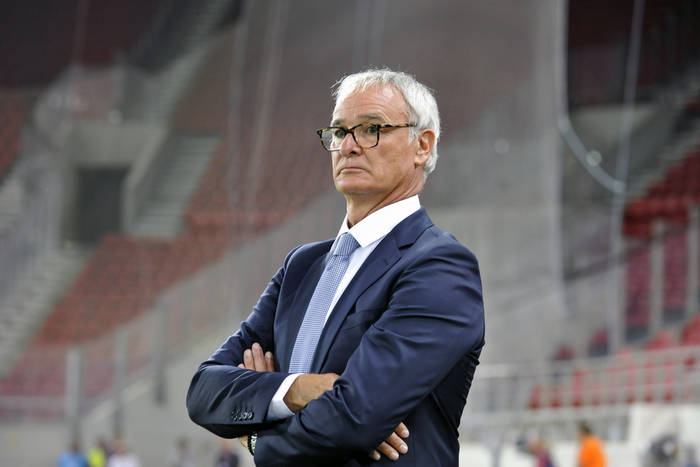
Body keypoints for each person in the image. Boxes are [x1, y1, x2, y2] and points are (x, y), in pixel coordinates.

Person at [186, 68, 486, 466]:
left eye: (372, 129)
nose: (348, 146)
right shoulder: (301, 266)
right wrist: (295, 390)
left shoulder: (440, 266)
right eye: (340, 131)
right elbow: (202, 391)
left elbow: (354, 418)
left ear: (422, 145)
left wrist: (256, 434)